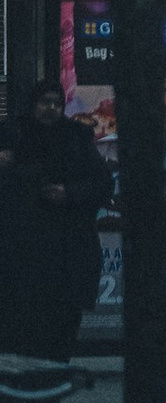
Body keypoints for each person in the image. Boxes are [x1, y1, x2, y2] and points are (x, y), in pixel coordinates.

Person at [0, 83, 114, 366]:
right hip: (22, 247)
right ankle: (22, 380)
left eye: (56, 103)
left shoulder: (74, 137)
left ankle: (48, 378)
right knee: (20, 320)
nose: (50, 108)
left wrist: (69, 193)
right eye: (44, 102)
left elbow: (101, 184)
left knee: (57, 322)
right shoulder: (12, 134)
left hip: (65, 248)